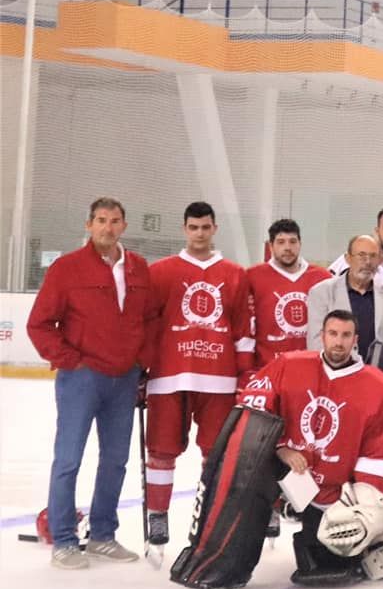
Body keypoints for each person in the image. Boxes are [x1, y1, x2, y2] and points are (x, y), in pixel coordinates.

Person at [27, 197, 156, 569]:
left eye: (115, 221)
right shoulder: (67, 269)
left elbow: (150, 319)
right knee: (69, 460)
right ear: (89, 225)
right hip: (82, 379)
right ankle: (64, 540)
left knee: (115, 461)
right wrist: (72, 361)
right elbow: (39, 324)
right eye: (101, 220)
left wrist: (141, 362)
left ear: (124, 226)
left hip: (124, 378)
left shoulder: (138, 268)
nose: (107, 227)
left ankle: (102, 535)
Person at [238, 310, 383, 588]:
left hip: (341, 489)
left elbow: (380, 450)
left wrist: (361, 497)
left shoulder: (380, 387)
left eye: (346, 335)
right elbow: (252, 408)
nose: (338, 342)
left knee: (336, 557)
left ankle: (349, 539)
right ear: (321, 336)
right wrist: (280, 448)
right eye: (333, 334)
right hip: (292, 476)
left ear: (356, 340)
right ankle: (261, 532)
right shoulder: (287, 366)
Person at [142, 201, 248, 551]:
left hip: (218, 379)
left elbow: (243, 330)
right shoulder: (161, 271)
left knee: (214, 452)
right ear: (185, 229)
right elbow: (147, 324)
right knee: (161, 449)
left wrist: (245, 375)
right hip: (169, 377)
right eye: (193, 227)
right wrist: (142, 369)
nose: (200, 233)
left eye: (205, 227)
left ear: (214, 228)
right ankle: (157, 513)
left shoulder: (234, 273)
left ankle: (209, 515)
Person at [240, 218, 330, 374]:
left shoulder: (323, 278)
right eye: (281, 242)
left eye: (292, 241)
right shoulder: (252, 276)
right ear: (271, 246)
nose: (287, 248)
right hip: (267, 368)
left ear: (300, 243)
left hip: (312, 368)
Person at [307, 234, 383, 374]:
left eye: (373, 256)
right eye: (361, 255)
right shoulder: (322, 292)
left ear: (380, 260)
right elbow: (316, 343)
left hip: (378, 382)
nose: (368, 262)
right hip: (334, 379)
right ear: (348, 259)